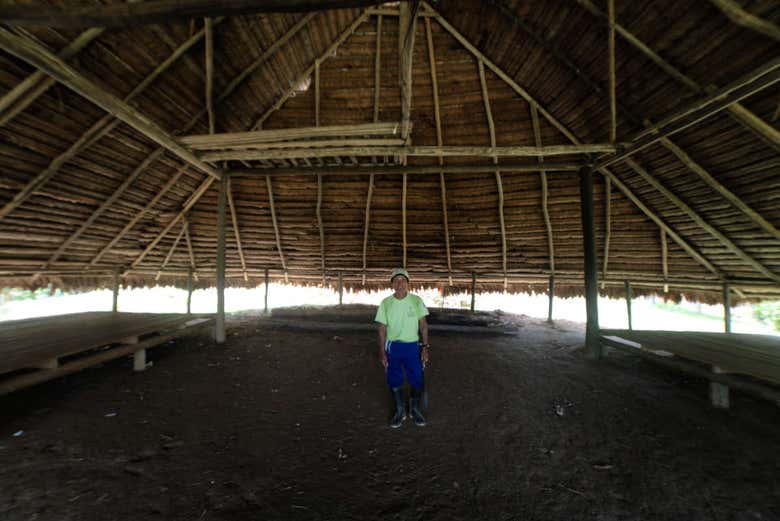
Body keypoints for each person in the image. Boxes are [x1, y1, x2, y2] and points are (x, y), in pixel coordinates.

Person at [374, 267, 430, 428]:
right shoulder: (386, 303)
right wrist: (382, 351)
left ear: (408, 283)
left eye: (403, 280)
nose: (400, 283)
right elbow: (382, 328)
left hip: (413, 346)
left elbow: (424, 326)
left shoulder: (416, 301)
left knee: (417, 378)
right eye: (396, 281)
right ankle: (400, 411)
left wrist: (425, 347)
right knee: (394, 378)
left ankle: (414, 409)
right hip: (393, 347)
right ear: (392, 284)